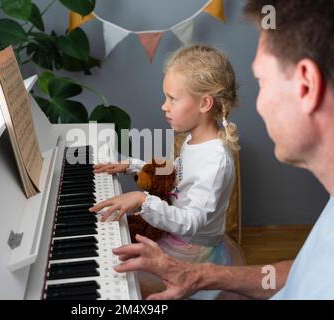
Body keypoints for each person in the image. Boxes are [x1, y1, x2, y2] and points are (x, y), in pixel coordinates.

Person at [111, 0, 334, 300]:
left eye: (262, 81)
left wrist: (144, 200)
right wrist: (201, 276)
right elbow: (300, 272)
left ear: (306, 86)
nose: (257, 104)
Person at [90, 44, 240, 298]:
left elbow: (192, 222)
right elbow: (177, 175)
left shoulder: (215, 161)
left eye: (172, 98)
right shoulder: (195, 139)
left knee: (124, 277)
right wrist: (133, 166)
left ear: (204, 103)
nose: (164, 106)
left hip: (191, 250)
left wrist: (143, 200)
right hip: (175, 235)